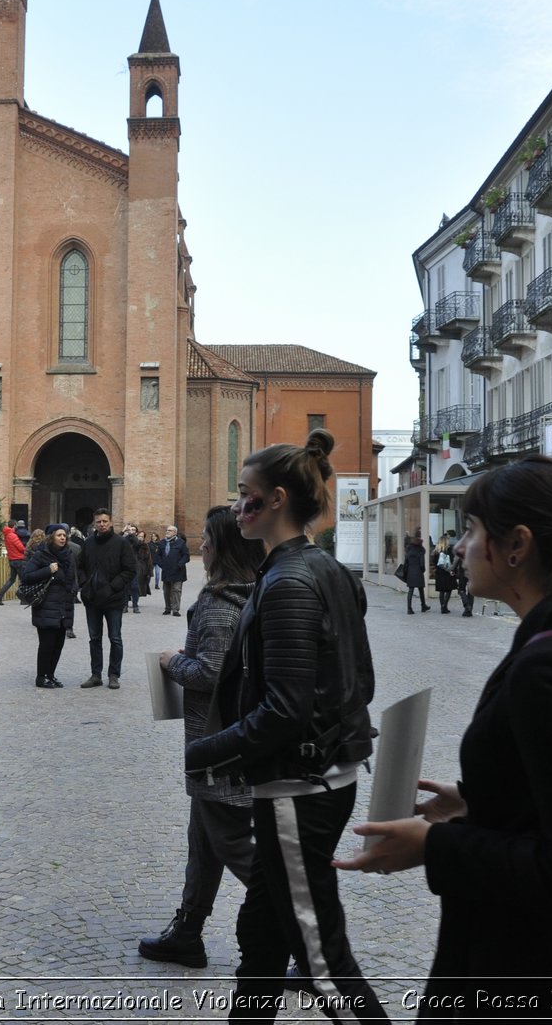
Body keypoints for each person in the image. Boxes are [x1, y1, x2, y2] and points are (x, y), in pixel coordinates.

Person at [337, 455, 552, 1016]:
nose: (459, 547)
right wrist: (485, 802)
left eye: (473, 529)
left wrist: (434, 845)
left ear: (517, 545)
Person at [185, 430, 385, 1022]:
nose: (234, 506)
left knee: (321, 958)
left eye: (243, 495)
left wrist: (206, 752)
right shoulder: (318, 569)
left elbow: (287, 708)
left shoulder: (291, 582)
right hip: (310, 778)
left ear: (274, 500)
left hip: (300, 786)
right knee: (262, 933)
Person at [142, 505, 261, 968]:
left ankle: (309, 931)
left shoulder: (220, 604)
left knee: (231, 841)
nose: (203, 547)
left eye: (208, 540)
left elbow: (210, 672)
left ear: (223, 549)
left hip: (220, 742)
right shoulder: (252, 592)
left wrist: (172, 662)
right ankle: (188, 929)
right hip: (225, 740)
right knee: (205, 839)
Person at [75, 508, 136, 689]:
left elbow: (130, 569)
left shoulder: (121, 544)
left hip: (113, 599)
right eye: (98, 522)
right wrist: (85, 584)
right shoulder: (88, 543)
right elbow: (79, 566)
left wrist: (113, 587)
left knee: (115, 638)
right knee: (94, 638)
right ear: (94, 523)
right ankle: (96, 674)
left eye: (104, 521)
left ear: (110, 522)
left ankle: (114, 675)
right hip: (92, 599)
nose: (101, 524)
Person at [22, 523, 76, 688]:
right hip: (46, 606)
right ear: (51, 536)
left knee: (58, 644)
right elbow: (26, 576)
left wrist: (74, 590)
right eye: (59, 535)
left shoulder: (68, 555)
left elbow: (73, 577)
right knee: (47, 644)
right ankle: (41, 677)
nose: (62, 538)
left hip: (63, 606)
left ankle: (50, 675)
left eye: (64, 535)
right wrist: (48, 570)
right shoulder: (41, 554)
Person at [154, 524, 190, 616]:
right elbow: (158, 556)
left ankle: (175, 609)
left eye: (169, 530)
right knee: (167, 591)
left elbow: (186, 556)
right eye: (167, 530)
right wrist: (162, 565)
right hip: (166, 571)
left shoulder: (180, 543)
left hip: (178, 571)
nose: (167, 531)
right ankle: (168, 608)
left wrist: (180, 564)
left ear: (175, 533)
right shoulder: (162, 543)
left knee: (176, 590)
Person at [0, 518, 27, 605]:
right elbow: (20, 547)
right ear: (14, 526)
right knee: (23, 580)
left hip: (12, 560)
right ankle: (23, 598)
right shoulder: (13, 535)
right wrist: (26, 550)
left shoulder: (7, 535)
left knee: (11, 580)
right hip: (18, 560)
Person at [127, 526, 153, 613]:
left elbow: (148, 558)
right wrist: (125, 533)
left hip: (136, 569)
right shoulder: (127, 541)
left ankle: (135, 605)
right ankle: (124, 605)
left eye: (134, 530)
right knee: (125, 588)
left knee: (135, 587)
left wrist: (149, 571)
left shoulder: (141, 544)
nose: (132, 532)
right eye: (130, 530)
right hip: (126, 568)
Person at [401, 533, 427, 614]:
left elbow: (406, 563)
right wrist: (423, 570)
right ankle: (423, 606)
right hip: (418, 572)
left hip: (410, 572)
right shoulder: (420, 551)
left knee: (410, 591)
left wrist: (406, 571)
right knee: (421, 590)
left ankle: (409, 608)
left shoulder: (409, 551)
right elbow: (422, 564)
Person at [431, 533, 456, 614]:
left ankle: (442, 606)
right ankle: (444, 606)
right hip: (447, 573)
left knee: (442, 591)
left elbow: (434, 562)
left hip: (439, 573)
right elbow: (452, 561)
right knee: (448, 590)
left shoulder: (436, 551)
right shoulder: (449, 550)